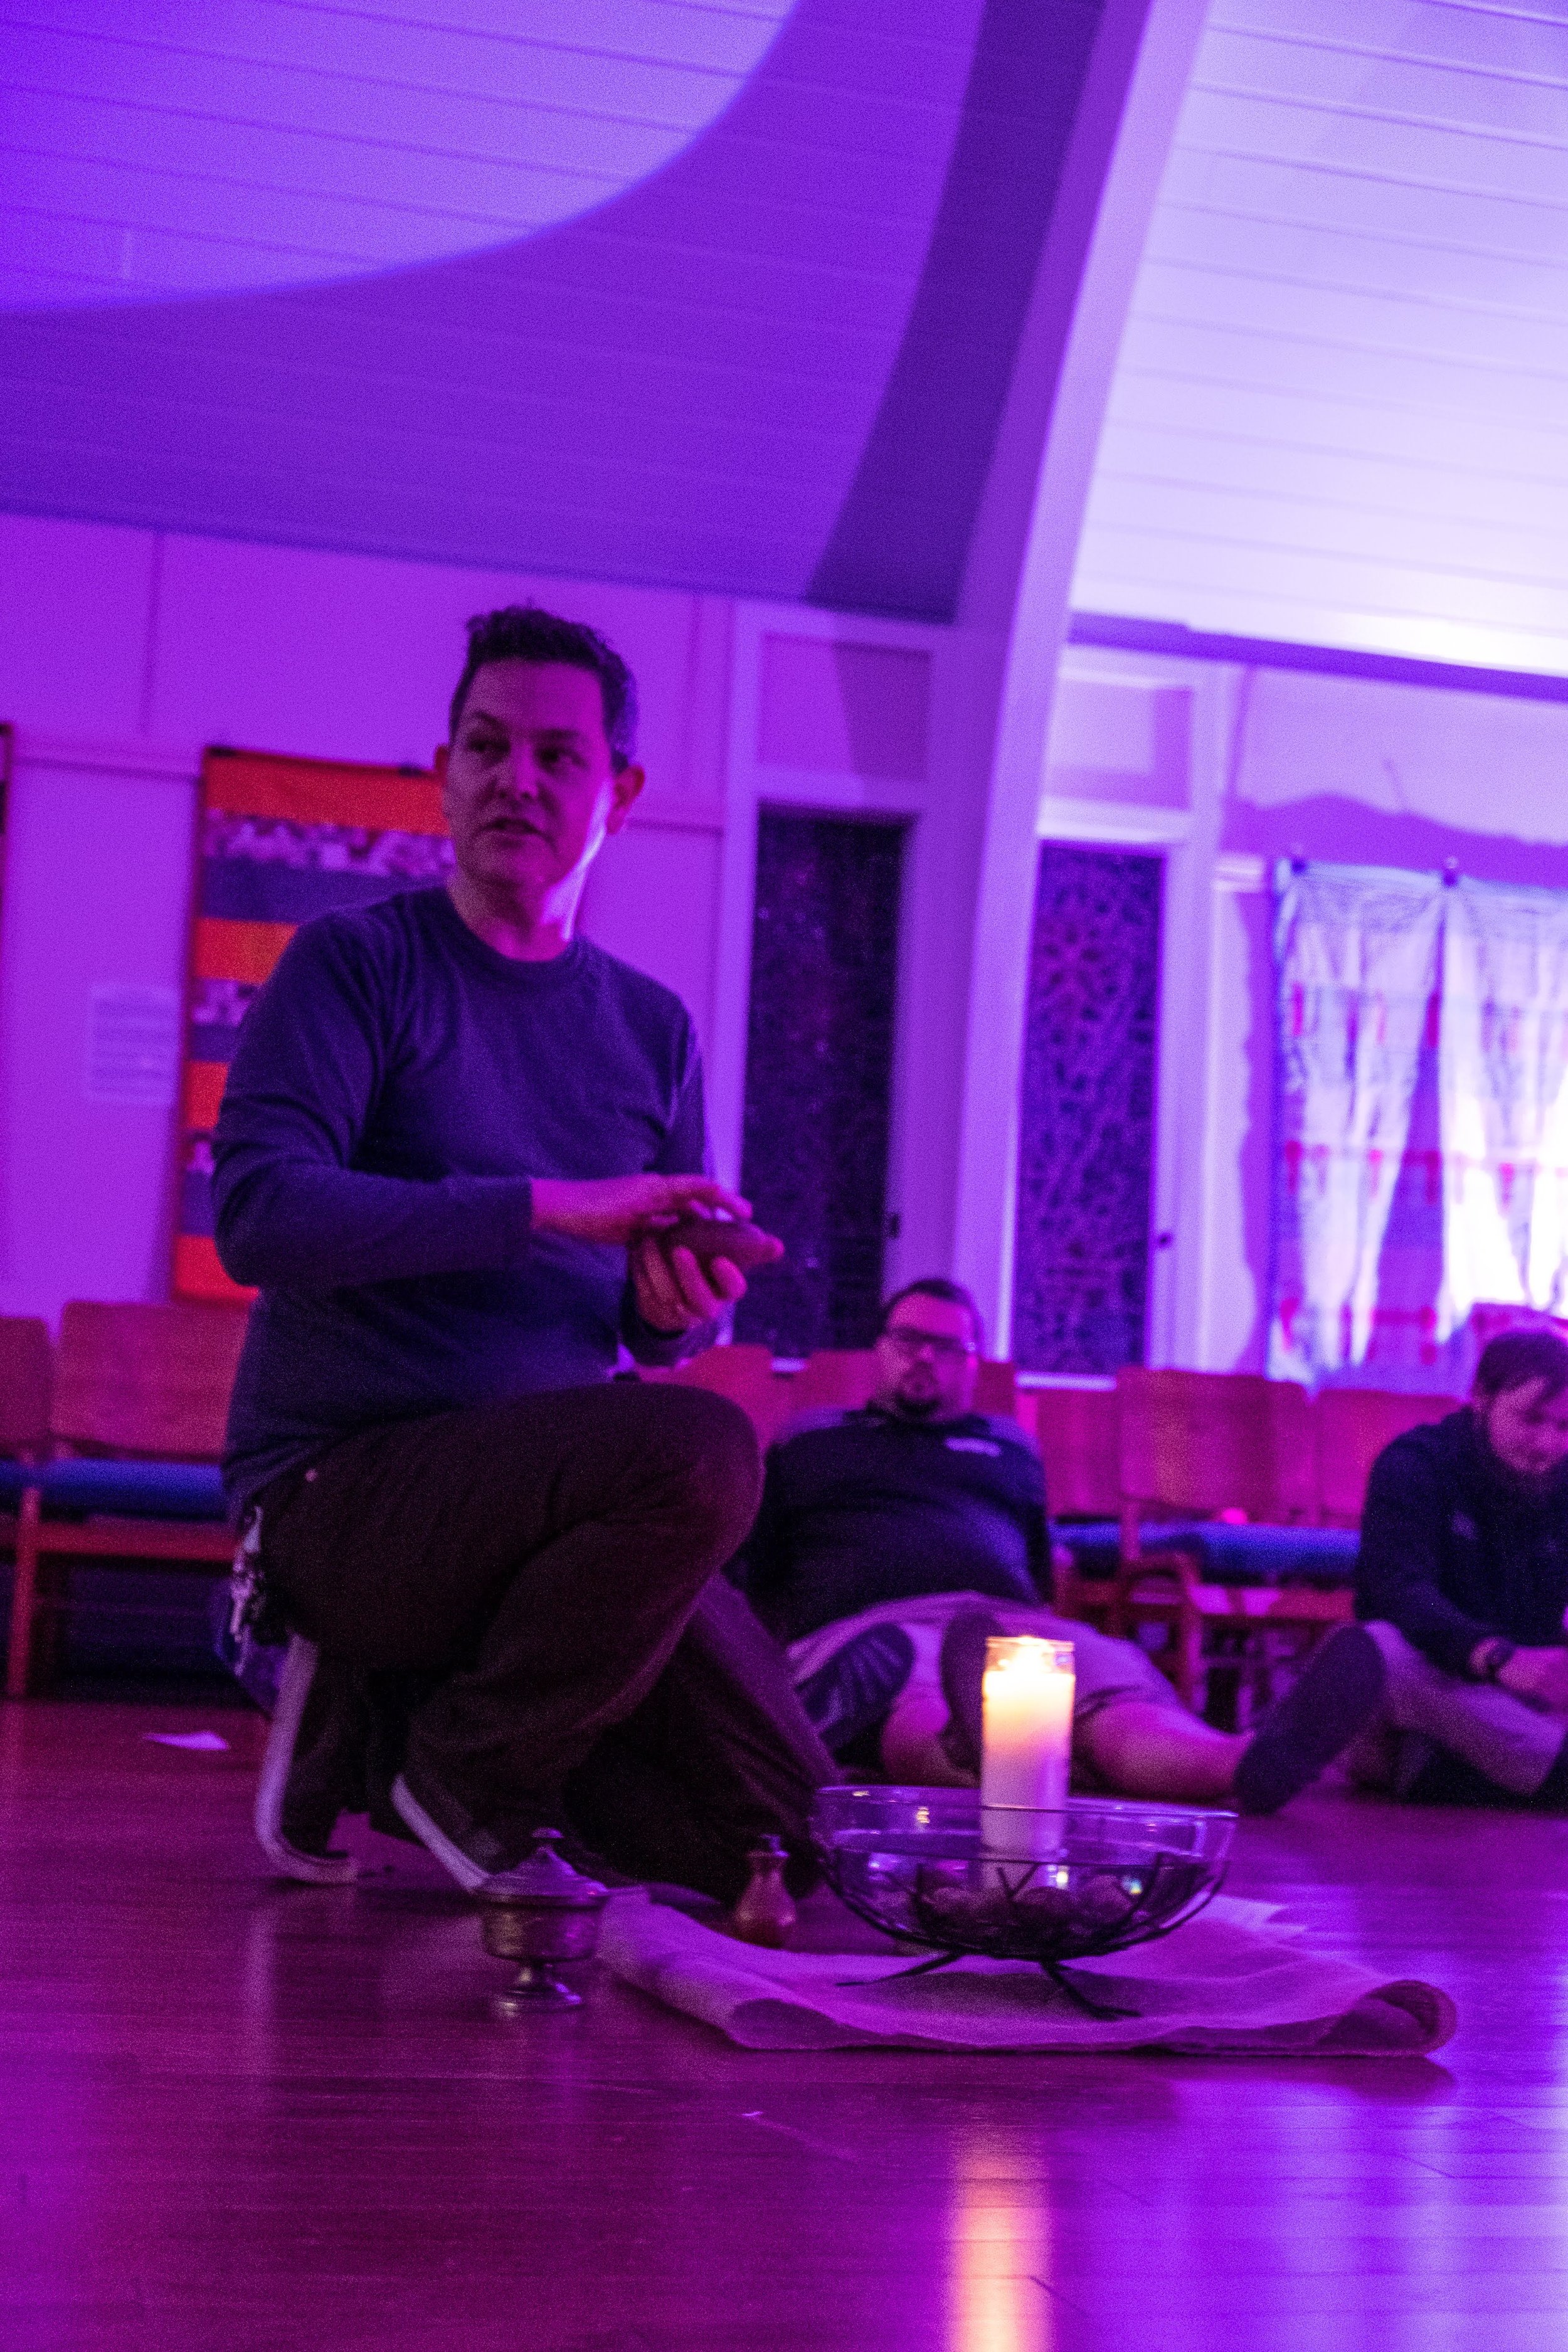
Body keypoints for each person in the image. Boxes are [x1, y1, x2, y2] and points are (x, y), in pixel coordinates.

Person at [214, 603, 832, 1898]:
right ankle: (459, 1773)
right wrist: (546, 1203)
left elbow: (651, 1319)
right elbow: (261, 1217)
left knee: (784, 1841)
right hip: (342, 1497)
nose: (517, 779)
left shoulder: (650, 1028)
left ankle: (382, 1728)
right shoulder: (353, 967)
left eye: (558, 754)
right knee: (702, 1448)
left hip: (542, 1524)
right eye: (486, 746)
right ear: (444, 769)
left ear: (621, 788)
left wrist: (677, 1304)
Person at [737, 1279, 1383, 1813]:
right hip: (875, 1630)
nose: (924, 1358)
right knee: (919, 1695)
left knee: (1111, 1695)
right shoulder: (810, 1441)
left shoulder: (1009, 1447)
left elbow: (1040, 1567)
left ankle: (1240, 1763)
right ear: (879, 1349)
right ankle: (981, 1759)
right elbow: (756, 1576)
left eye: (947, 1346)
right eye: (909, 1340)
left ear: (972, 1362)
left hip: (1009, 1625)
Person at [1348, 1328, 1568, 1807]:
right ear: (1481, 1398)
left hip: (1523, 1696)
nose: (1548, 1445)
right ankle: (1543, 1773)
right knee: (1380, 1649)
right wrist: (1495, 1657)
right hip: (1442, 1673)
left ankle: (1443, 1771)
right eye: (1531, 1420)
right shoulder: (1417, 1465)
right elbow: (1400, 1592)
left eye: (1565, 1427)